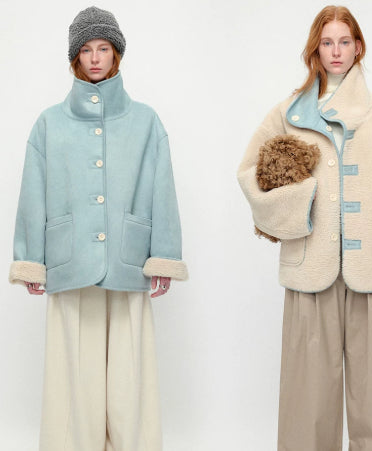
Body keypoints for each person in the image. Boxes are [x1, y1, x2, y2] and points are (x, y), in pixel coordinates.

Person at [237, 5, 372, 451]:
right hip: (310, 270)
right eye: (327, 42)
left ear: (358, 47)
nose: (336, 51)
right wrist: (296, 210)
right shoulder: (288, 113)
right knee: (307, 404)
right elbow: (249, 174)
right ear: (316, 49)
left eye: (344, 42)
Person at [8, 6, 188, 451]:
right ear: (75, 57)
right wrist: (31, 261)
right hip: (69, 262)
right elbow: (32, 193)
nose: (94, 58)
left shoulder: (146, 121)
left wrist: (163, 256)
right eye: (86, 50)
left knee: (131, 377)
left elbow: (161, 190)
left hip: (129, 261)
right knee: (74, 377)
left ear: (116, 53)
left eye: (103, 48)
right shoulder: (48, 123)